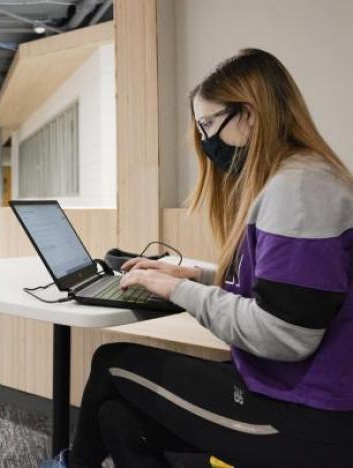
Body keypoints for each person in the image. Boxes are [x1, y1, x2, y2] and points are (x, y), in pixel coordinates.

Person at [67, 49, 353, 468]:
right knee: (117, 419)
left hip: (305, 416)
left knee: (111, 364)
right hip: (281, 390)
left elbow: (285, 334)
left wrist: (177, 290)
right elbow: (274, 287)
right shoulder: (294, 180)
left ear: (249, 115)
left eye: (208, 124)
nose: (205, 142)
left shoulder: (300, 190)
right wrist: (194, 275)